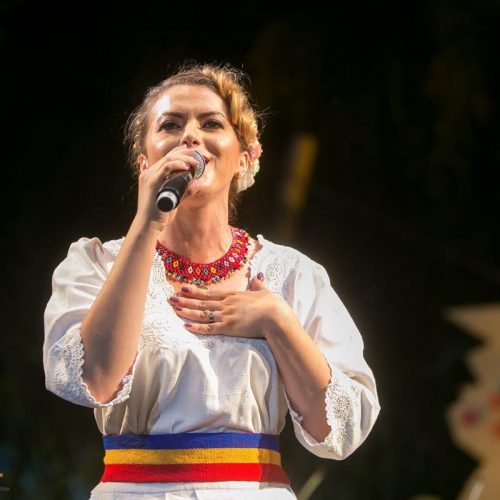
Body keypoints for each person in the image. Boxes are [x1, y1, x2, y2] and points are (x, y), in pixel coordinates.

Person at [43, 62, 380, 499]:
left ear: (244, 158)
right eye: (170, 124)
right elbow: (93, 380)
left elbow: (341, 430)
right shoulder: (96, 265)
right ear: (144, 162)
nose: (190, 136)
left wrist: (277, 320)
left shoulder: (295, 275)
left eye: (211, 123)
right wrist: (147, 225)